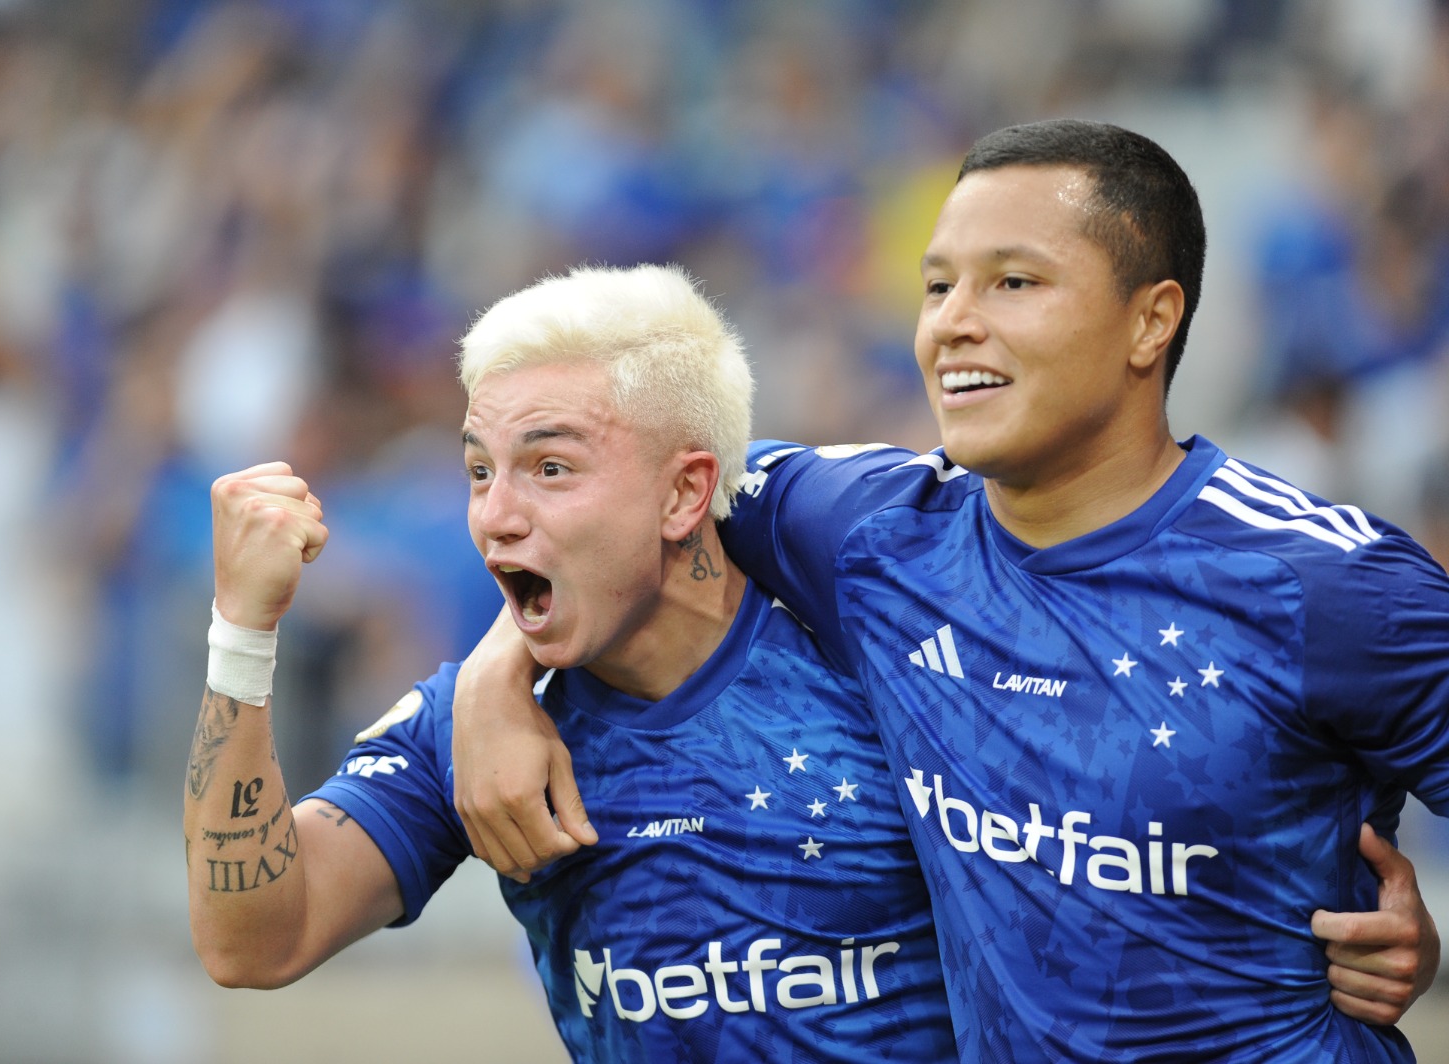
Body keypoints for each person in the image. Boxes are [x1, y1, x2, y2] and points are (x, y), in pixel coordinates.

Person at [450, 120, 1449, 1060]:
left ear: (1151, 320)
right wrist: (491, 682)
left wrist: (1428, 944)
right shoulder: (865, 531)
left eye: (1013, 282)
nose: (953, 326)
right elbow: (617, 506)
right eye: (937, 288)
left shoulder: (1329, 587)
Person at [184, 263, 961, 1060]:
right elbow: (254, 942)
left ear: (684, 495)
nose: (495, 518)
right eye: (480, 471)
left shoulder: (875, 652)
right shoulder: (475, 725)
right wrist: (242, 633)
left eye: (550, 468)